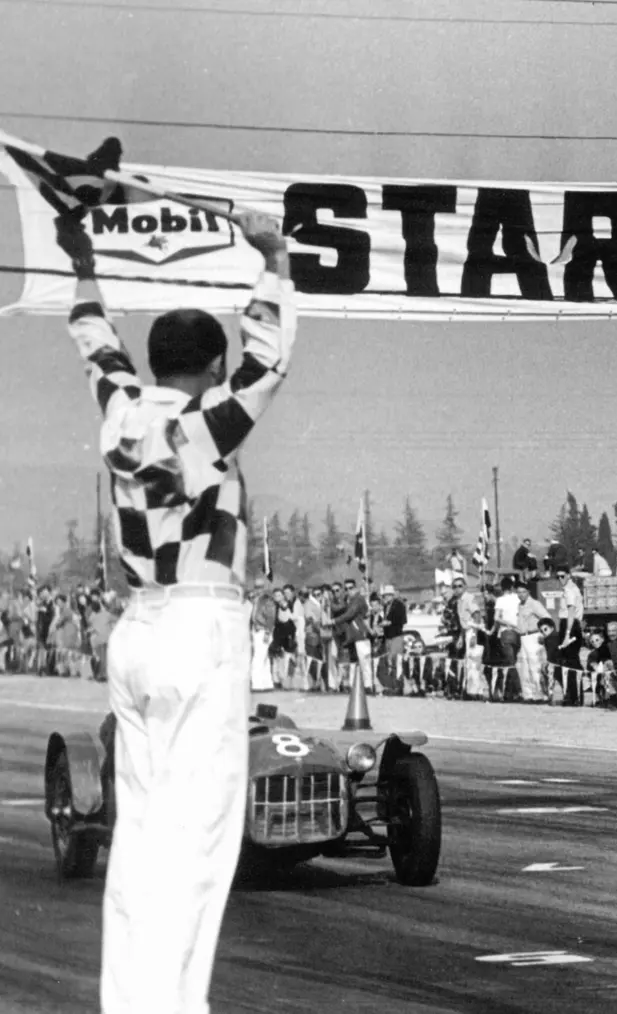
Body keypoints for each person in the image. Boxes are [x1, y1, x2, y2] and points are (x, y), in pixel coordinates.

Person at [59, 200, 294, 1014]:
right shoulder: (204, 426)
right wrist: (274, 259)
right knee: (197, 844)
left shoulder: (125, 413)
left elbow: (95, 341)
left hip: (138, 631)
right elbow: (268, 363)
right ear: (209, 365)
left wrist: (85, 267)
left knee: (141, 847)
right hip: (198, 627)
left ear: (157, 362)